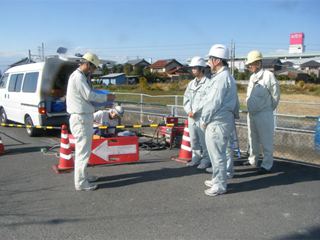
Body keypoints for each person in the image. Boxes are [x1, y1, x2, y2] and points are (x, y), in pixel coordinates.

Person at [66, 53, 115, 191]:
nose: (93, 71)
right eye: (93, 68)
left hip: (84, 116)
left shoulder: (82, 77)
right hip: (80, 118)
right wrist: (107, 97)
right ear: (87, 64)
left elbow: (85, 101)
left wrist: (101, 106)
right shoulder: (78, 77)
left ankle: (84, 175)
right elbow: (88, 95)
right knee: (82, 152)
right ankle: (80, 182)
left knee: (85, 150)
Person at [201, 44, 238, 197]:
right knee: (220, 152)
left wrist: (204, 119)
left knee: (217, 154)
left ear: (216, 60)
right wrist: (235, 114)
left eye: (210, 60)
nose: (209, 63)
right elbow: (235, 100)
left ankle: (220, 185)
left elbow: (213, 103)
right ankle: (217, 178)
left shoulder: (221, 78)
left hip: (217, 121)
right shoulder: (228, 76)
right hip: (225, 120)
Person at [243, 50, 280, 174]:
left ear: (259, 63)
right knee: (252, 139)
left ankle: (267, 164)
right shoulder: (252, 77)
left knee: (266, 140)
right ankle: (252, 160)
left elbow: (275, 95)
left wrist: (269, 108)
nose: (250, 66)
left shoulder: (268, 76)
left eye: (252, 64)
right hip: (252, 114)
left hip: (264, 113)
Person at [183, 56, 211, 170]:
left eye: (195, 68)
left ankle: (206, 160)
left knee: (204, 140)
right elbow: (186, 98)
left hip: (201, 116)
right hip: (192, 116)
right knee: (193, 139)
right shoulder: (191, 84)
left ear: (201, 68)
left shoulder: (208, 83)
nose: (193, 70)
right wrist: (189, 110)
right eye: (192, 68)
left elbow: (207, 100)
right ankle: (195, 158)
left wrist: (194, 111)